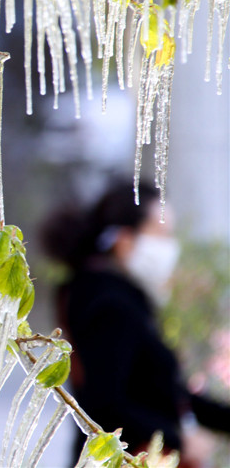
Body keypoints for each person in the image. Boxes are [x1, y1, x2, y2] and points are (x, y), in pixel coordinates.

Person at [40, 180, 230, 467]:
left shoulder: (117, 298)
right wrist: (178, 439)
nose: (170, 247)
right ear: (125, 240)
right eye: (162, 234)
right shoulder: (109, 305)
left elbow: (164, 392)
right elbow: (105, 406)